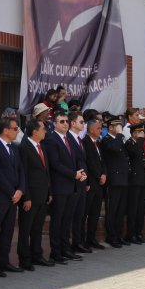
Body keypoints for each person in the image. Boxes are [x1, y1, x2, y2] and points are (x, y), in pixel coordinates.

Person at [0, 117, 26, 277]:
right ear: (5, 130)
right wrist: (12, 192)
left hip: (14, 196)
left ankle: (5, 261)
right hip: (1, 197)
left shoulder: (15, 148)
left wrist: (20, 190)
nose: (17, 132)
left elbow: (21, 170)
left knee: (8, 230)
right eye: (15, 129)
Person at [44, 112, 87, 264]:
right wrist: (73, 174)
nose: (65, 124)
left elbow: (78, 158)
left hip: (72, 186)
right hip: (60, 187)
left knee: (67, 220)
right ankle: (56, 253)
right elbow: (55, 164)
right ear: (54, 124)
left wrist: (81, 172)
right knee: (57, 221)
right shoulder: (51, 139)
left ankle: (66, 250)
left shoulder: (69, 138)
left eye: (67, 121)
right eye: (61, 121)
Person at [17, 119, 54, 270]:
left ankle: (37, 255)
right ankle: (24, 259)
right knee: (26, 229)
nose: (45, 131)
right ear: (34, 131)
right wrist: (26, 197)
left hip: (42, 194)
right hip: (30, 196)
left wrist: (49, 191)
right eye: (43, 129)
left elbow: (46, 171)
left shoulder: (42, 146)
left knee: (38, 227)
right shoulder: (24, 147)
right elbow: (23, 174)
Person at [99, 117, 128, 248]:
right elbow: (115, 149)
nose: (119, 128)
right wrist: (120, 135)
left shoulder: (118, 140)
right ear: (110, 127)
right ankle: (111, 236)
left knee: (121, 209)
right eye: (116, 126)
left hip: (123, 178)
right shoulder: (106, 140)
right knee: (113, 209)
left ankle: (118, 234)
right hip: (113, 179)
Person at [81, 118, 107, 249]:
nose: (100, 130)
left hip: (99, 183)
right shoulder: (85, 142)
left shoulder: (98, 143)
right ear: (91, 129)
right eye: (98, 128)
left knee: (95, 213)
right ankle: (82, 240)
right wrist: (98, 175)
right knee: (86, 212)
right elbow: (89, 162)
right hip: (91, 182)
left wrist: (104, 174)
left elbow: (103, 161)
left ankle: (92, 238)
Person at [67, 112, 91, 254]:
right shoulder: (69, 138)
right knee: (72, 215)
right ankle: (72, 243)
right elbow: (71, 160)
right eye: (81, 122)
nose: (83, 124)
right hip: (73, 182)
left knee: (80, 214)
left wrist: (86, 178)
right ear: (73, 123)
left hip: (82, 181)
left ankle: (78, 242)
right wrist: (79, 174)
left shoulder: (79, 139)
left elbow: (83, 160)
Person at [124, 124, 145, 244]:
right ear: (134, 133)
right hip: (133, 180)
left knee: (140, 209)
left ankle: (139, 232)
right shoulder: (130, 143)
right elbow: (135, 153)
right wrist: (140, 140)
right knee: (133, 209)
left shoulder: (138, 143)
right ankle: (131, 233)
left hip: (141, 180)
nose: (142, 135)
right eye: (140, 132)